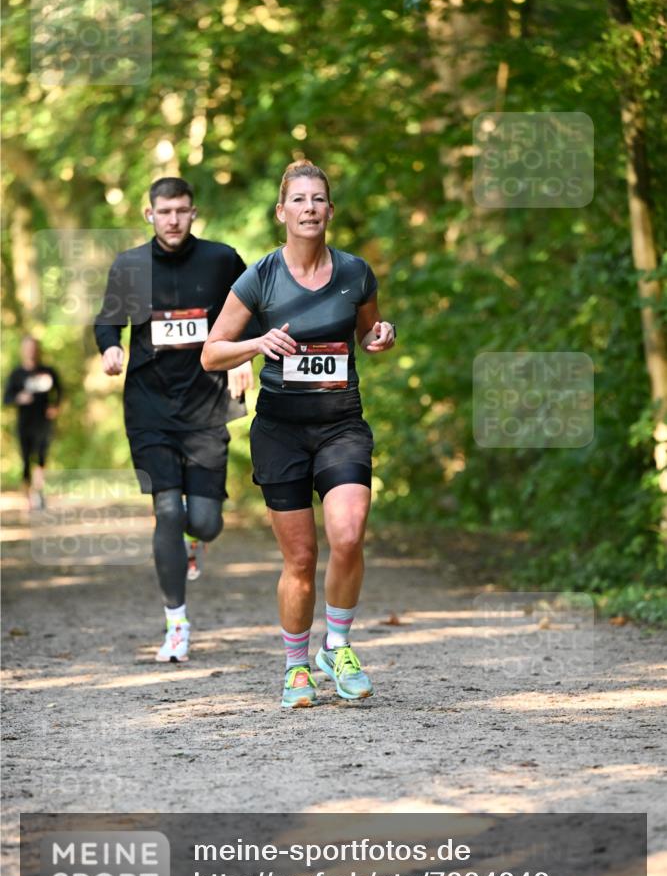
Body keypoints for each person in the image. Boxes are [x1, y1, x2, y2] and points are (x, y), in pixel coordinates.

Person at [201, 159, 396, 708]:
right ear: (281, 211)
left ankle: (336, 646)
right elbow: (211, 353)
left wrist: (384, 336)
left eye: (319, 200)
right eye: (300, 200)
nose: (309, 209)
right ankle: (295, 667)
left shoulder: (355, 272)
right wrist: (257, 343)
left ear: (330, 211)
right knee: (302, 560)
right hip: (281, 431)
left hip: (341, 425)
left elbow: (371, 335)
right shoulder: (259, 277)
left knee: (350, 533)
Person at [94, 176, 253, 663]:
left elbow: (254, 311)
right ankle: (177, 625)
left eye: (182, 210)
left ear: (193, 211)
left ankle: (192, 541)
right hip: (148, 406)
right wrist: (111, 347)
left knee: (203, 522)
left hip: (206, 406)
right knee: (166, 509)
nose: (174, 220)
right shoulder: (131, 266)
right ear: (150, 215)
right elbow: (107, 321)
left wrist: (244, 356)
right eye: (165, 212)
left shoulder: (222, 260)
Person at [4, 335, 62, 510]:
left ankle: (39, 492)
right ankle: (28, 497)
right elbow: (6, 398)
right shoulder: (16, 374)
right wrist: (19, 398)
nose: (31, 351)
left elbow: (60, 391)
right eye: (28, 347)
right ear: (23, 350)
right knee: (26, 460)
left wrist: (55, 406)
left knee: (42, 456)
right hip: (24, 422)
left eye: (33, 347)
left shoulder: (47, 371)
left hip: (43, 422)